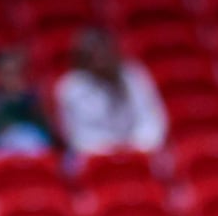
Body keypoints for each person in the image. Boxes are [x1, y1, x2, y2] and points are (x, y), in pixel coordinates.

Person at [54, 27, 167, 158]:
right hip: (93, 157)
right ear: (83, 58)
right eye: (94, 55)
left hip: (138, 153)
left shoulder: (133, 76)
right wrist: (112, 151)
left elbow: (151, 120)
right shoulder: (70, 88)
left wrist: (135, 147)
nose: (101, 60)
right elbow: (77, 136)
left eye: (104, 52)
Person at [0, 47, 61, 162]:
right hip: (2, 162)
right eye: (7, 73)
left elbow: (49, 139)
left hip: (35, 158)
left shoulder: (34, 101)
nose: (13, 78)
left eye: (17, 73)